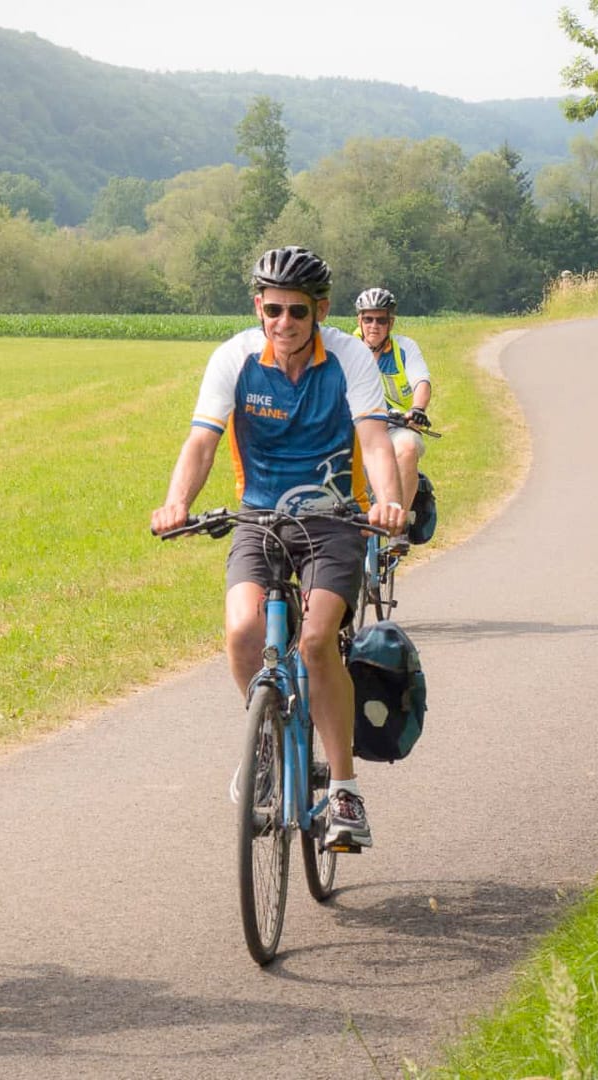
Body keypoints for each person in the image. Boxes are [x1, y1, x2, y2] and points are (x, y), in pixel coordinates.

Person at [150, 247, 407, 850]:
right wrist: (176, 501)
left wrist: (388, 501)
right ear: (257, 308)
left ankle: (344, 789)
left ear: (319, 311)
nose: (284, 323)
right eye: (272, 310)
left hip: (335, 519)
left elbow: (374, 441)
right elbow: (202, 441)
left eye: (297, 311)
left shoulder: (347, 358)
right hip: (257, 517)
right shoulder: (234, 359)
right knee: (242, 633)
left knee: (318, 644)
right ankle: (265, 735)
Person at [353, 286, 433, 522]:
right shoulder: (348, 347)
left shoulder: (404, 348)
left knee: (407, 448)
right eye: (368, 319)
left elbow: (421, 382)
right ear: (359, 320)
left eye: (381, 320)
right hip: (357, 426)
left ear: (391, 322)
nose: (374, 326)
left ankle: (399, 525)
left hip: (396, 425)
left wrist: (417, 410)